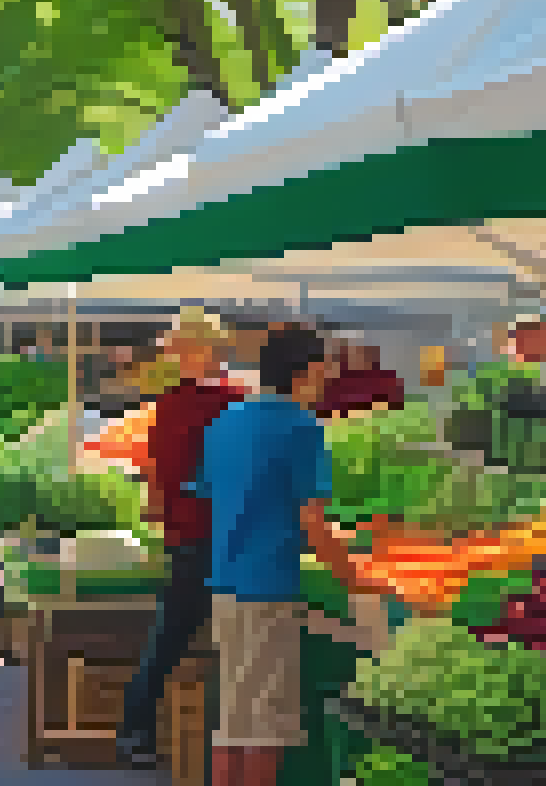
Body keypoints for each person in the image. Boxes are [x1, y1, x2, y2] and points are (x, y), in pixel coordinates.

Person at [191, 325, 377, 786]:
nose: (333, 373)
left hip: (225, 581)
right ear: (308, 371)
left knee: (234, 718)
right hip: (267, 585)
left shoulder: (228, 420)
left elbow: (217, 495)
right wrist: (354, 579)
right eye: (328, 364)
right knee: (264, 726)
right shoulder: (302, 428)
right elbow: (312, 519)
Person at [116, 308, 246, 768]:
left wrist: (163, 512)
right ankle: (208, 739)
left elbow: (155, 473)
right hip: (222, 535)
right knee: (222, 638)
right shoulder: (234, 400)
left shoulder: (173, 403)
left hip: (192, 534)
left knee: (173, 634)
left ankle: (139, 732)